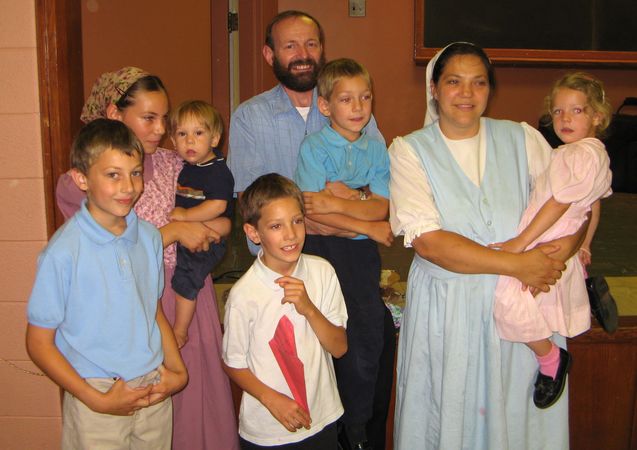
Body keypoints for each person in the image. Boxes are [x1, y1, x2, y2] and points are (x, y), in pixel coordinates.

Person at [389, 42, 587, 449]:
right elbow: (430, 243)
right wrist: (518, 265)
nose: (466, 93)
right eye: (454, 82)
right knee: (451, 418)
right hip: (449, 311)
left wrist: (561, 255)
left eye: (478, 83)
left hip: (523, 306)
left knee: (518, 421)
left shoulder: (522, 139)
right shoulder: (409, 151)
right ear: (434, 89)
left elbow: (573, 201)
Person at [55, 67, 240, 450]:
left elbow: (222, 213)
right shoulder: (83, 184)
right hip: (132, 303)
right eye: (148, 118)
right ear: (114, 113)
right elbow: (105, 250)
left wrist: (216, 226)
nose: (160, 130)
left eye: (164, 119)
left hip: (187, 295)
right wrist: (173, 232)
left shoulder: (179, 164)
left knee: (196, 404)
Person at [26, 118, 188, 449]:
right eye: (113, 175)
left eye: (136, 172)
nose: (128, 187)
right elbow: (38, 343)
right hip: (96, 396)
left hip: (153, 388)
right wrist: (94, 399)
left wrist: (178, 369)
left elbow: (153, 311)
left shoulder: (149, 238)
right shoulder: (63, 253)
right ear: (81, 178)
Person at [491, 72, 612, 409]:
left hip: (548, 236)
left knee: (508, 298)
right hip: (560, 235)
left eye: (576, 111)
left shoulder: (580, 155)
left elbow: (559, 202)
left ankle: (551, 358)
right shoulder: (583, 153)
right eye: (558, 112)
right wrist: (585, 244)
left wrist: (520, 243)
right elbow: (593, 206)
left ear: (597, 116)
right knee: (528, 299)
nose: (565, 119)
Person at [294, 58, 392, 450]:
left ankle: (358, 426)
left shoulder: (377, 146)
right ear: (325, 106)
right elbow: (313, 215)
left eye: (365, 98)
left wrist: (342, 197)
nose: (358, 107)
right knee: (323, 335)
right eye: (347, 99)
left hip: (361, 257)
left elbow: (382, 208)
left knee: (366, 335)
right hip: (322, 252)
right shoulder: (314, 146)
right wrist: (366, 221)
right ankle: (328, 426)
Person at [228, 10, 383, 256]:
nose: (303, 55)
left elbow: (381, 190)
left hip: (353, 254)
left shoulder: (355, 111)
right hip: (283, 257)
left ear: (322, 49)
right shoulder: (249, 118)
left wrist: (357, 197)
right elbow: (254, 208)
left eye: (311, 44)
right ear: (269, 55)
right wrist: (353, 222)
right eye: (291, 46)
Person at [222, 173, 348, 449]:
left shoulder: (322, 272)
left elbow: (339, 348)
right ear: (254, 233)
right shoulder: (244, 295)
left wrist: (309, 308)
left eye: (297, 221)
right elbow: (234, 362)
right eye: (276, 226)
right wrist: (272, 400)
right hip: (269, 429)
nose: (291, 234)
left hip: (322, 418)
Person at [168, 100, 234, 349]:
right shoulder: (186, 167)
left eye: (198, 133)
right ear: (173, 142)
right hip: (195, 231)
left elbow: (217, 205)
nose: (190, 141)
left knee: (186, 278)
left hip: (211, 238)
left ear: (214, 139)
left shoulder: (217, 170)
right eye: (182, 134)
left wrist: (185, 216)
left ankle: (180, 330)